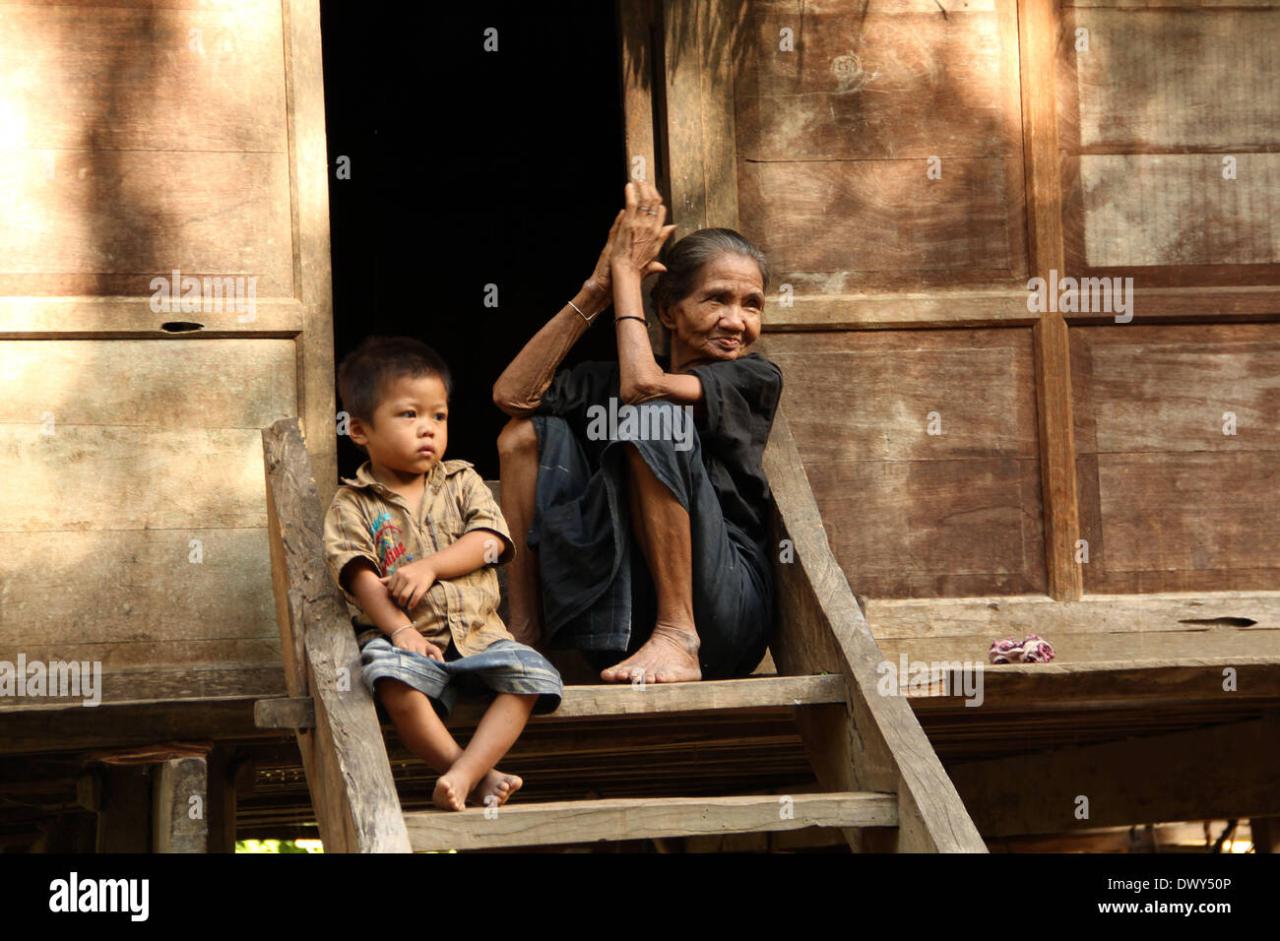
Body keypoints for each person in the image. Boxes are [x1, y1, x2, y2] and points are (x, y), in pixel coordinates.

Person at [493, 180, 783, 684]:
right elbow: (511, 396)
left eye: (751, 304)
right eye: (717, 299)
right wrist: (598, 289)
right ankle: (526, 632)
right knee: (520, 436)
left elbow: (646, 388)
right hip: (620, 623)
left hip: (726, 616)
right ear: (668, 312)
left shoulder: (754, 377)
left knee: (653, 416)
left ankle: (678, 634)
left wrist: (627, 273)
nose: (736, 321)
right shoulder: (605, 382)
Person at [323, 336, 563, 812]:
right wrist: (402, 630)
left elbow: (491, 542)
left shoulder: (462, 481)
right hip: (407, 643)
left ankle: (466, 773)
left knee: (535, 677)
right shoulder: (353, 503)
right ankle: (473, 773)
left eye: (439, 416)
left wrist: (429, 566)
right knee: (390, 679)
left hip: (481, 638)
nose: (428, 429)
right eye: (409, 415)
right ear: (358, 429)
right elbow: (359, 575)